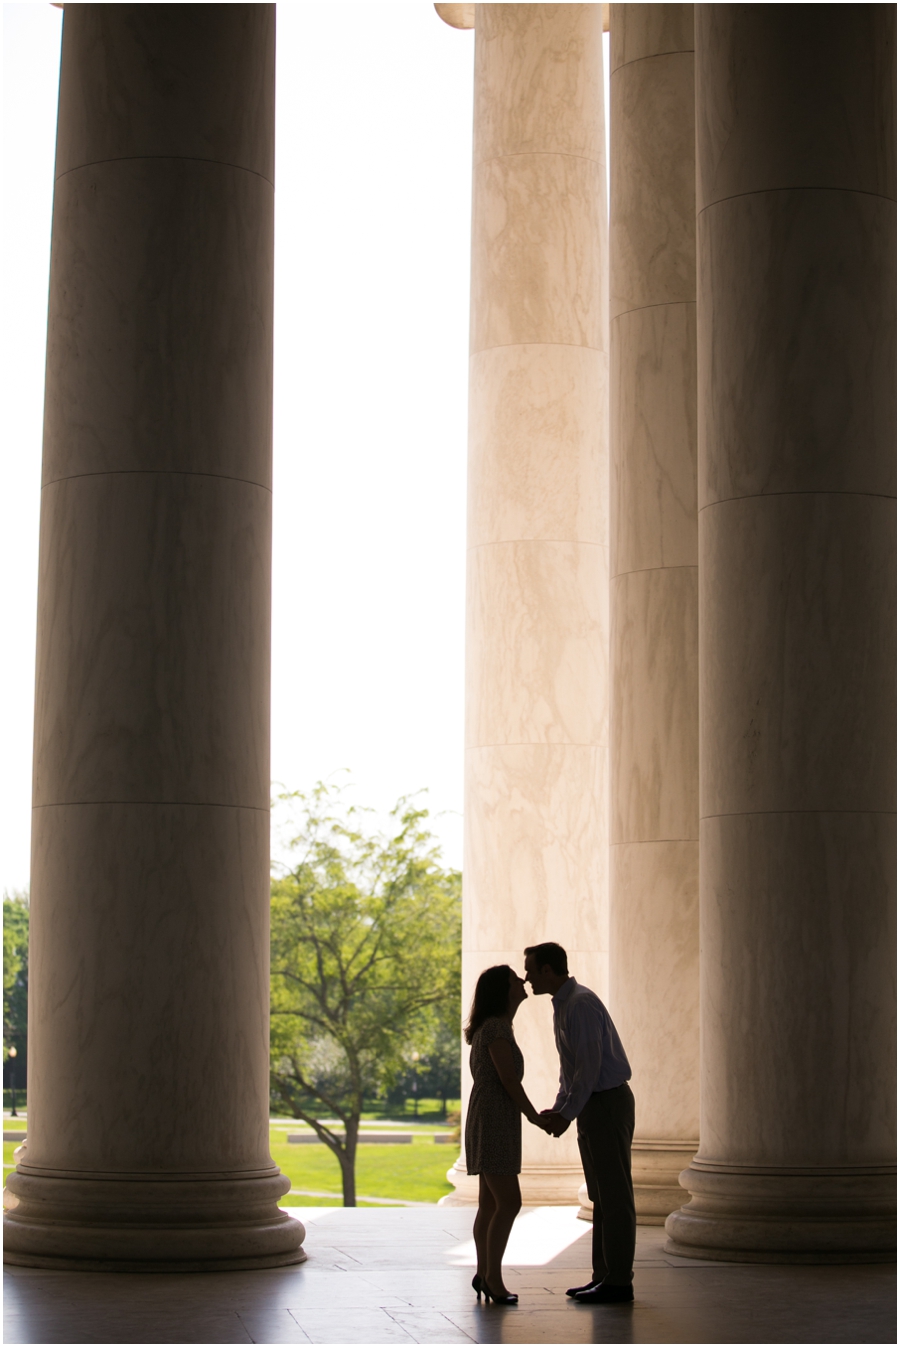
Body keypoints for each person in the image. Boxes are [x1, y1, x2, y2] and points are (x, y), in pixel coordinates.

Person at [523, 941, 636, 1305]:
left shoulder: (580, 1005)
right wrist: (561, 1109)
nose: (526, 978)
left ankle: (618, 1280)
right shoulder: (565, 1005)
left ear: (548, 970)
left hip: (605, 1103)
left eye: (530, 970)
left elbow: (588, 1069)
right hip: (594, 1104)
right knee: (601, 1194)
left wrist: (566, 1115)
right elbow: (570, 1071)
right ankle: (604, 1276)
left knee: (614, 1196)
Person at [464, 963, 549, 1304]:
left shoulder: (495, 1026)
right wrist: (534, 1116)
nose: (523, 980)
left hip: (492, 1114)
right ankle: (492, 1278)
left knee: (490, 1203)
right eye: (516, 978)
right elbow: (508, 1079)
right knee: (509, 1202)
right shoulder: (497, 1028)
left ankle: (485, 1273)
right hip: (495, 1116)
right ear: (503, 990)